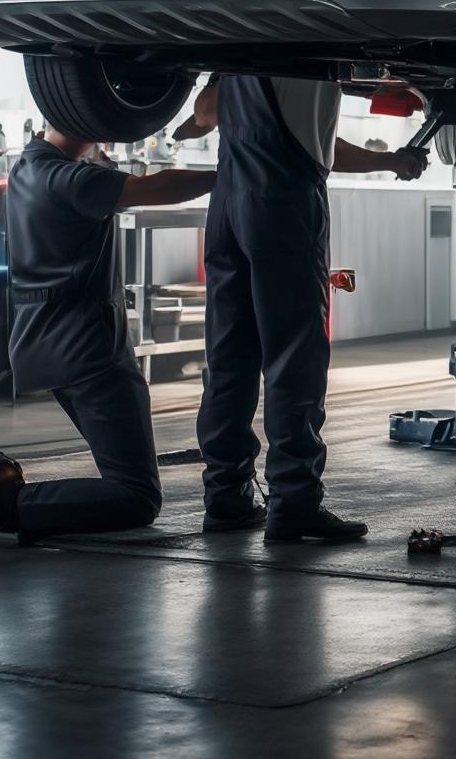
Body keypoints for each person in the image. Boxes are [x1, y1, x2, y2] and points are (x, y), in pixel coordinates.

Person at [0, 130, 216, 547]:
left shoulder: (29, 166)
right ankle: (7, 501)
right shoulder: (71, 180)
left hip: (46, 342)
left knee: (126, 479)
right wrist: (224, 174)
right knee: (136, 495)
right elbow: (159, 187)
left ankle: (4, 494)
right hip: (90, 350)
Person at [175, 76, 427, 543]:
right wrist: (393, 158)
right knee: (296, 359)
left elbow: (206, 112)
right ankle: (294, 504)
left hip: (227, 209)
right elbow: (319, 145)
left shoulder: (234, 55)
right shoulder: (313, 53)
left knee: (229, 361)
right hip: (282, 200)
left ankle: (226, 500)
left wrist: (388, 160)